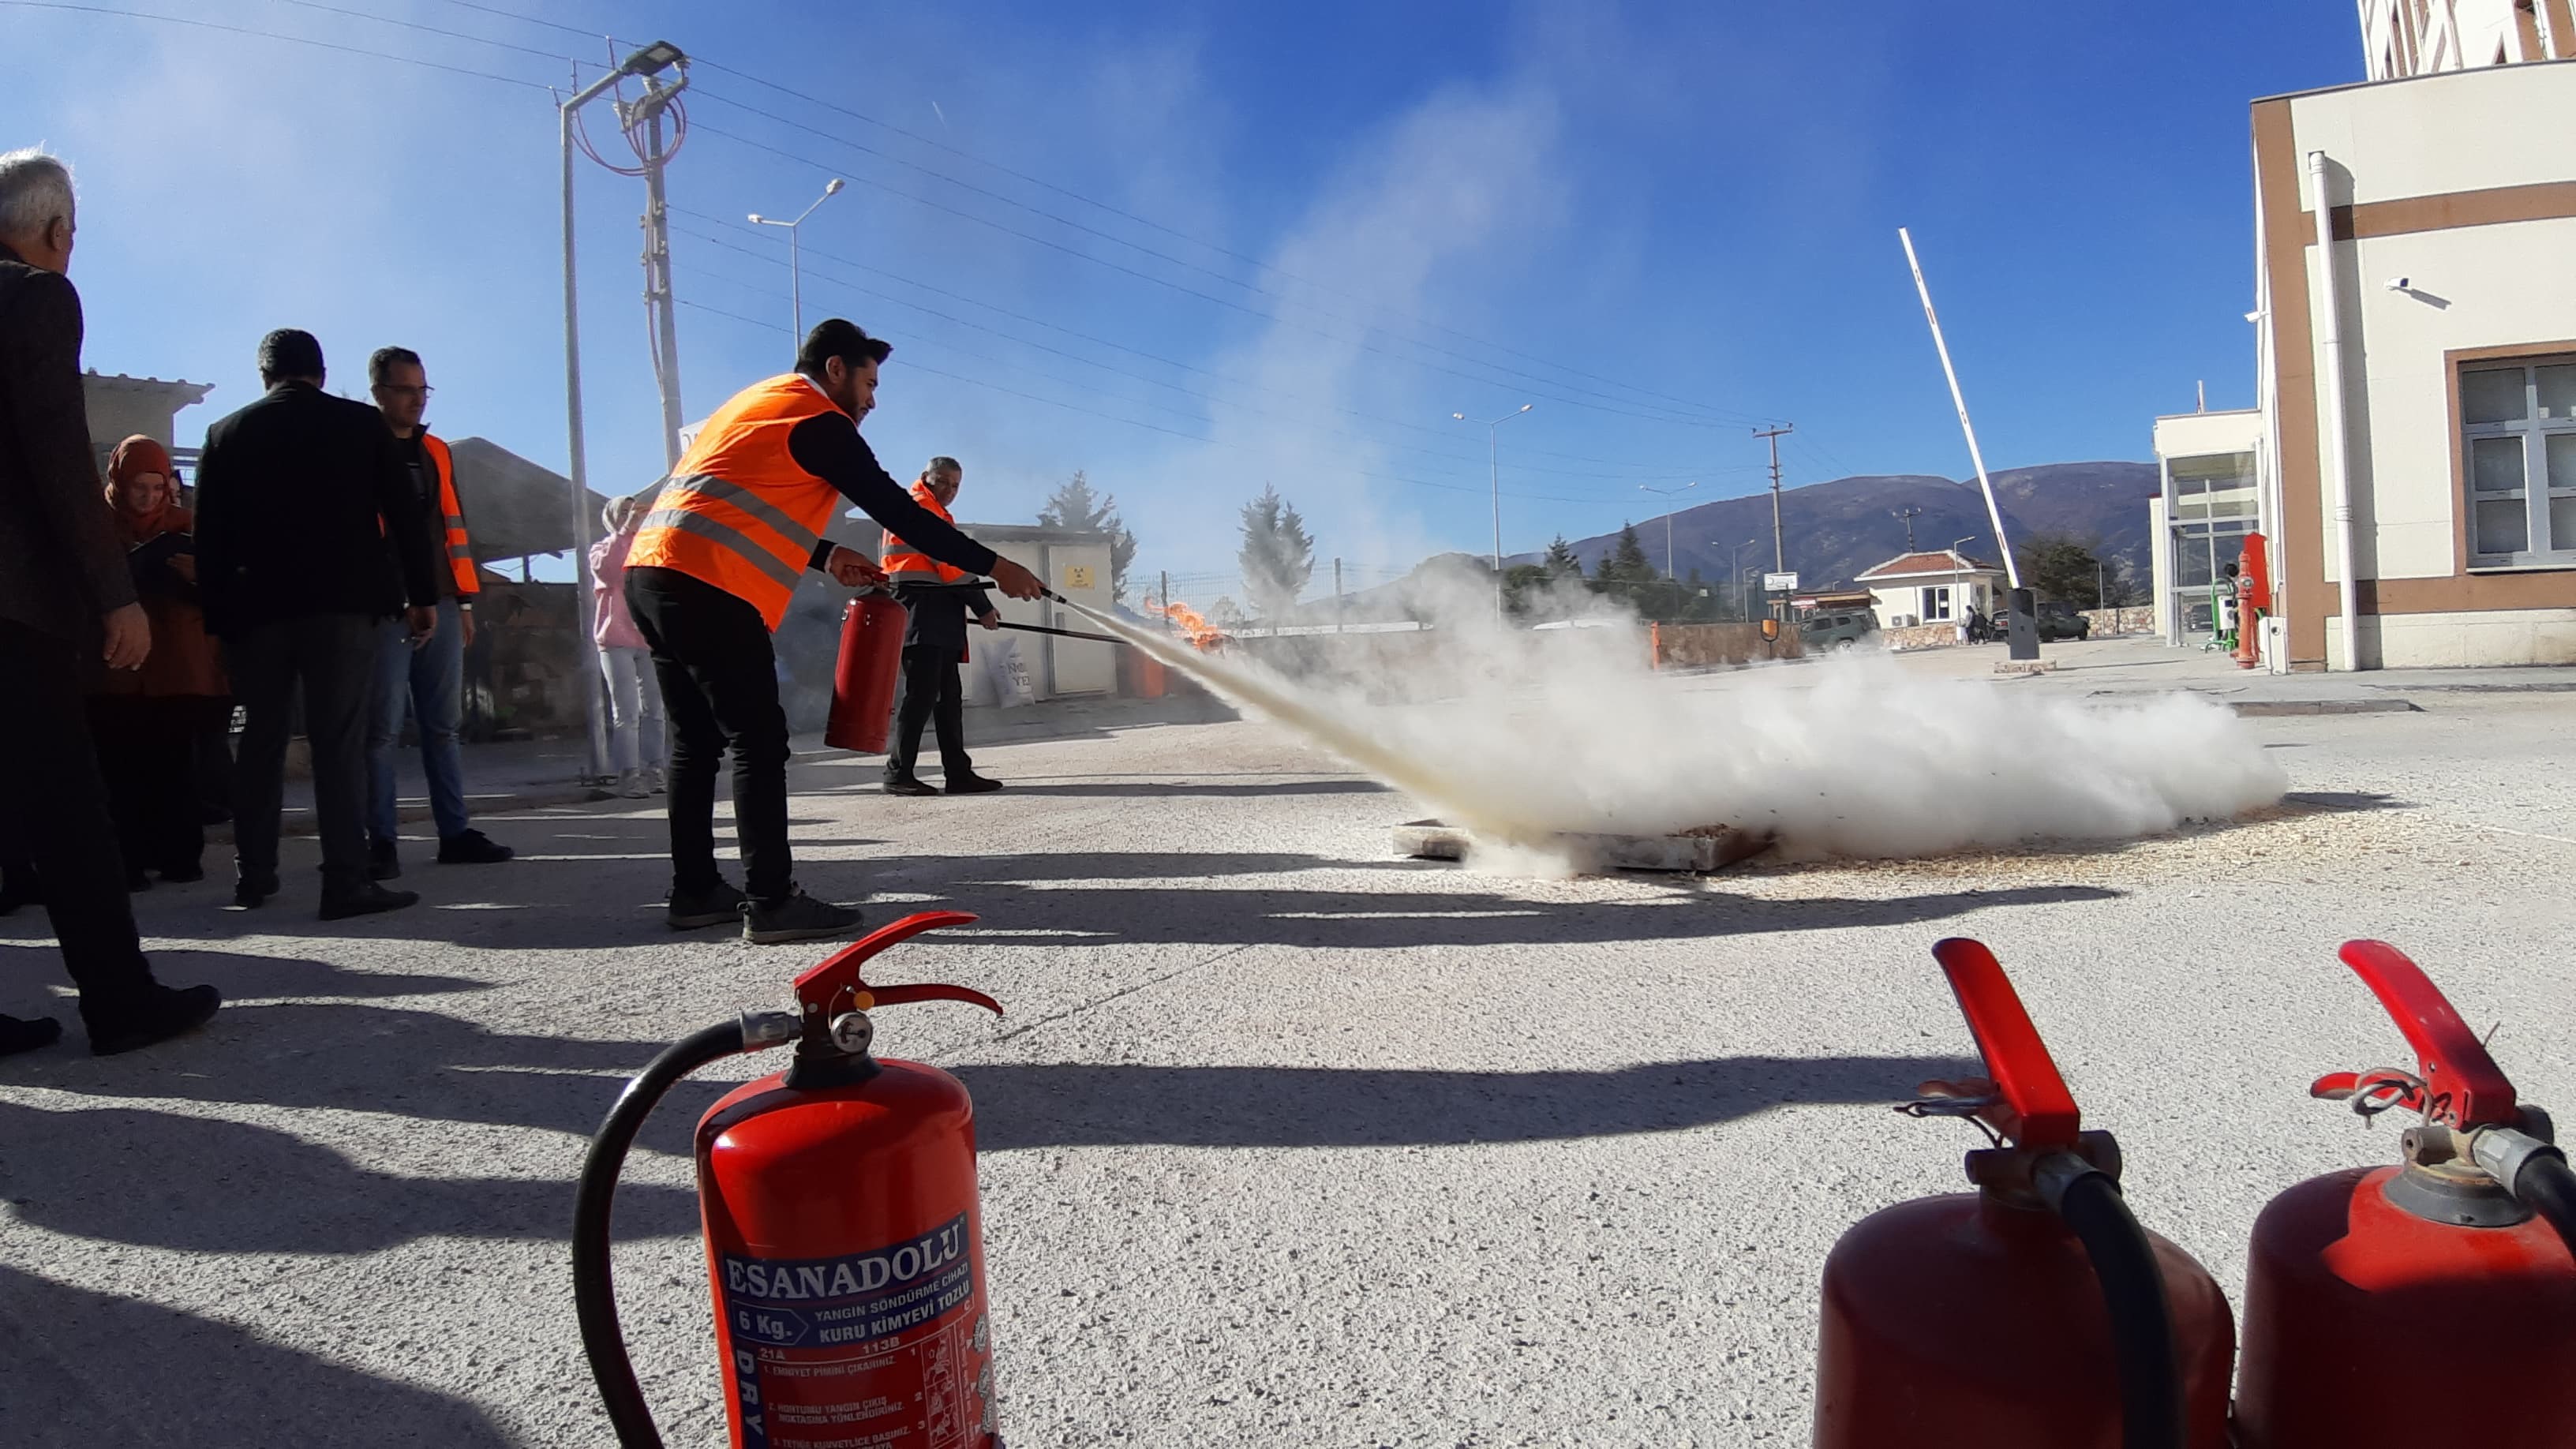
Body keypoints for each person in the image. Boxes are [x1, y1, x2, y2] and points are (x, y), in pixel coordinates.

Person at [623, 318, 1042, 945]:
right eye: (869, 382)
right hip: (709, 583)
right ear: (835, 370)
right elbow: (896, 510)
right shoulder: (820, 421)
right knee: (757, 738)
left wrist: (823, 555)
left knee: (696, 743)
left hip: (654, 573)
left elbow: (735, 503)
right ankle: (771, 901)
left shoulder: (758, 403)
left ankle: (696, 890)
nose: (873, 399)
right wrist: (995, 565)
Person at [0, 146, 221, 1055]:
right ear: (55, 231)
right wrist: (111, 595)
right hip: (13, 603)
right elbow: (56, 452)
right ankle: (120, 1001)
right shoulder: (35, 294)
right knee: (68, 804)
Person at [194, 328, 440, 919]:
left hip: (257, 612)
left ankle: (253, 879)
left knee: (261, 741)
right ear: (322, 373)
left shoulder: (226, 433)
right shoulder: (360, 425)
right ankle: (345, 882)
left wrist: (219, 619)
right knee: (339, 743)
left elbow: (210, 538)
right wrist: (422, 594)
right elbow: (405, 516)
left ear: (264, 376)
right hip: (343, 606)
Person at [361, 346, 511, 878]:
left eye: (424, 390)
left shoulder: (438, 452)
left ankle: (454, 832)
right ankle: (379, 841)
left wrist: (464, 602)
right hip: (383, 607)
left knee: (442, 726)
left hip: (444, 602)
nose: (417, 400)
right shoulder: (360, 446)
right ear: (379, 393)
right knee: (380, 728)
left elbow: (454, 527)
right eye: (407, 390)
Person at [90, 436, 229, 886]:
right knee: (121, 769)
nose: (149, 498)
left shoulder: (189, 527)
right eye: (138, 489)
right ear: (118, 483)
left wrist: (203, 577)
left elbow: (227, 591)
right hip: (117, 668)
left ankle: (179, 857)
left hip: (177, 667)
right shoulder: (95, 528)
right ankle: (128, 861)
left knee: (173, 766)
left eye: (156, 487)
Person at [881, 456, 1002, 797]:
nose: (950, 490)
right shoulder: (921, 508)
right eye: (944, 481)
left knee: (948, 699)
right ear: (926, 478)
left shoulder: (934, 511)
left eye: (956, 485)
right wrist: (983, 606)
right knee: (921, 697)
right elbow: (950, 562)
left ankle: (958, 774)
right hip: (922, 613)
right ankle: (898, 773)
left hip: (937, 616)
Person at [590, 493, 666, 799]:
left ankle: (655, 769)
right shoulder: (601, 548)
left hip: (647, 637)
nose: (630, 516)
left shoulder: (649, 545)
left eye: (633, 511)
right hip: (615, 638)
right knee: (627, 711)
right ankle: (629, 775)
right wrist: (623, 534)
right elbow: (608, 572)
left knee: (656, 709)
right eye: (623, 511)